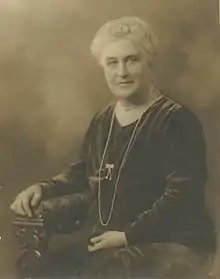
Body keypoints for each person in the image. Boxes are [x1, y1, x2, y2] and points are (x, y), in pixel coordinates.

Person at [11, 17, 216, 278]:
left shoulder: (175, 120)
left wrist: (127, 236)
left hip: (173, 243)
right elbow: (81, 174)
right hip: (112, 241)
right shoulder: (103, 120)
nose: (122, 72)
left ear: (149, 61)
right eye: (112, 62)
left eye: (132, 60)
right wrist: (41, 188)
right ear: (103, 67)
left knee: (100, 272)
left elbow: (182, 196)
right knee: (41, 270)